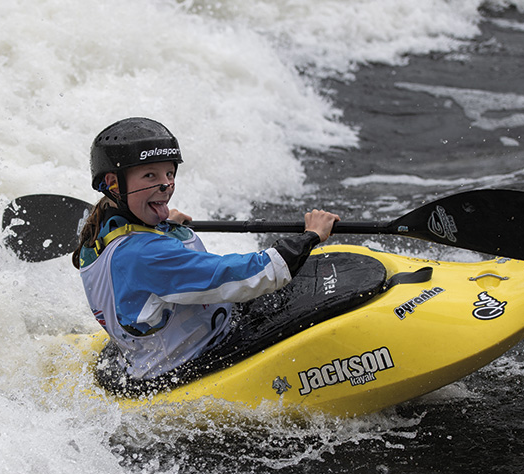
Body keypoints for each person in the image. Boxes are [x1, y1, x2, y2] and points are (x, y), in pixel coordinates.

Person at [74, 117, 339, 382]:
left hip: (149, 355)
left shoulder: (101, 232)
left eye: (169, 173)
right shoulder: (144, 255)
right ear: (114, 184)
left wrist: (164, 227)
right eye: (150, 175)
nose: (165, 185)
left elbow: (141, 261)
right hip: (191, 356)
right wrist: (308, 238)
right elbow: (231, 276)